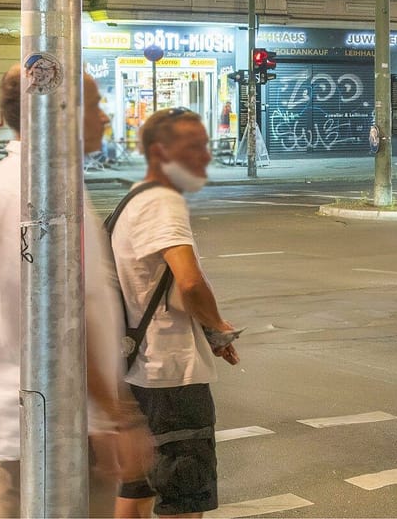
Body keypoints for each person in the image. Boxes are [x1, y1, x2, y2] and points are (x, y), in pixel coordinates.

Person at [0, 71, 150, 517]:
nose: (104, 116)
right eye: (93, 105)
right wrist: (117, 417)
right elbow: (64, 322)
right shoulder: (48, 196)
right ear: (60, 113)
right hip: (58, 428)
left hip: (19, 420)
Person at [110, 109, 239, 519]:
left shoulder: (133, 198)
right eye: (193, 147)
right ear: (161, 152)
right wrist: (218, 328)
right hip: (171, 375)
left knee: (137, 488)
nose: (205, 155)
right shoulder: (163, 202)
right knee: (185, 497)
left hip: (136, 369)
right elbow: (189, 282)